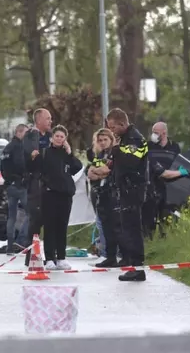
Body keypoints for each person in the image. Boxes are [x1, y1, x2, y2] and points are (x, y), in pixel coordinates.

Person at [105, 108, 150, 282]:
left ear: (123, 124)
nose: (112, 131)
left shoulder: (135, 138)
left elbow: (132, 161)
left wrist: (116, 151)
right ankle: (132, 265)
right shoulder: (125, 138)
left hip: (133, 189)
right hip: (125, 189)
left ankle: (137, 268)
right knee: (127, 229)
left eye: (113, 127)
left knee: (132, 229)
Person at [31, 125, 82, 270]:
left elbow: (77, 167)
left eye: (62, 137)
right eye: (57, 136)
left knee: (62, 226)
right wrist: (33, 157)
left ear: (65, 139)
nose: (59, 139)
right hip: (49, 194)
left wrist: (70, 152)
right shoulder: (45, 153)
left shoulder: (66, 155)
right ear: (52, 138)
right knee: (50, 227)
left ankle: (61, 257)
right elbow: (35, 169)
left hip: (65, 195)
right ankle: (50, 259)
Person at [22, 108, 52, 266]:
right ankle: (31, 257)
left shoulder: (49, 135)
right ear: (38, 120)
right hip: (36, 183)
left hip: (49, 184)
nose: (50, 121)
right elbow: (32, 155)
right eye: (47, 118)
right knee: (35, 221)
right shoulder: (32, 134)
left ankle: (49, 256)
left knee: (49, 220)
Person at [87, 128, 121, 267]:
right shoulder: (100, 155)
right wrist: (98, 172)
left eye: (105, 139)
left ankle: (115, 254)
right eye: (99, 140)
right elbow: (90, 173)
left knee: (114, 226)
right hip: (101, 193)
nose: (102, 142)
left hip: (113, 193)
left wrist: (98, 172)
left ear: (111, 139)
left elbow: (107, 171)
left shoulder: (114, 153)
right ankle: (107, 254)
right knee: (102, 225)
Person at [0, 123, 29, 255]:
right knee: (32, 213)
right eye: (26, 133)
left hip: (9, 185)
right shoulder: (19, 147)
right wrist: (24, 178)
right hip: (20, 185)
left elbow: (2, 168)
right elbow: (20, 164)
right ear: (19, 132)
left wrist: (8, 179)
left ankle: (10, 246)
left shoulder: (6, 148)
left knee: (11, 217)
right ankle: (21, 241)